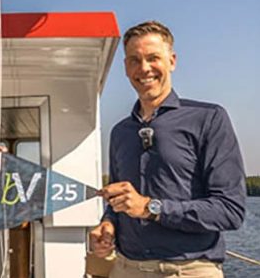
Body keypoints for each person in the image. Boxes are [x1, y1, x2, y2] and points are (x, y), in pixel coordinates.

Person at [90, 21, 246, 278]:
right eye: (134, 60)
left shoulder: (209, 119)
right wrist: (108, 224)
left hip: (189, 271)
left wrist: (151, 208)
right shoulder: (120, 133)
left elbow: (230, 210)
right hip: (126, 269)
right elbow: (118, 202)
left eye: (153, 58)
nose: (144, 68)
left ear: (172, 61)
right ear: (126, 67)